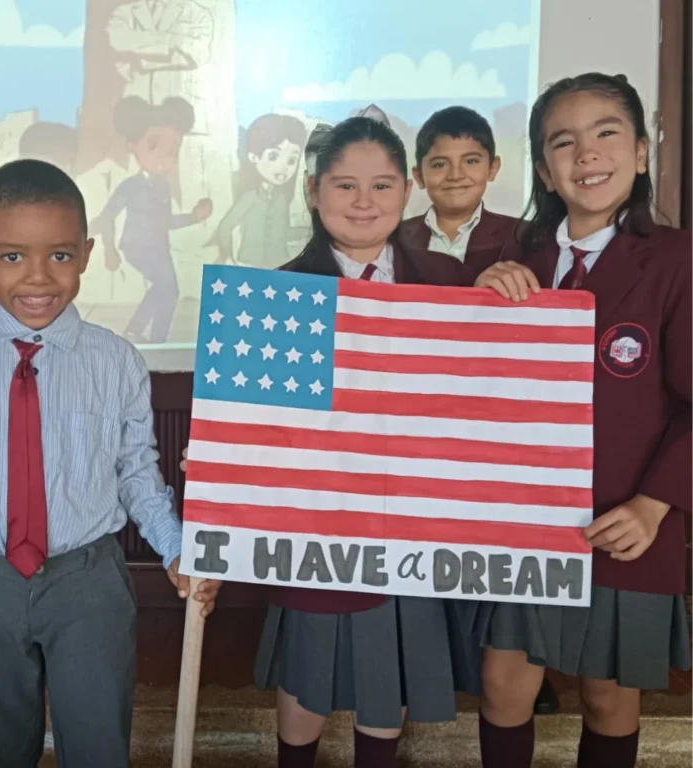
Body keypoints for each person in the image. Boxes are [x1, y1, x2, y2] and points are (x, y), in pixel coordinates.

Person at [196, 116, 477, 768]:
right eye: (344, 184)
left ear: (407, 190)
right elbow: (260, 430)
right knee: (308, 674)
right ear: (314, 190)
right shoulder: (281, 293)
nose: (363, 201)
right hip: (314, 525)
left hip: (413, 521)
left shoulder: (447, 285)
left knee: (390, 674)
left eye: (381, 184)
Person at [0, 159, 222, 768]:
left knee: (97, 744)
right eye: (12, 257)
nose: (38, 278)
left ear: (87, 253)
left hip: (89, 583)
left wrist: (174, 549)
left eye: (59, 256)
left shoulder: (115, 362)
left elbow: (138, 472)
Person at [473, 73, 691, 768]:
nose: (586, 154)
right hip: (523, 522)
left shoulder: (678, 259)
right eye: (563, 142)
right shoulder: (511, 264)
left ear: (641, 151)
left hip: (629, 522)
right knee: (504, 687)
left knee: (607, 697)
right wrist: (477, 306)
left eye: (606, 133)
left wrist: (655, 507)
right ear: (543, 168)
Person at [93, 95, 212, 344]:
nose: (164, 157)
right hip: (137, 246)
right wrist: (109, 250)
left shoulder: (162, 188)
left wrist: (193, 217)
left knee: (166, 289)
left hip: (159, 247)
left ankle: (141, 332)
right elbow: (107, 217)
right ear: (131, 145)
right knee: (168, 289)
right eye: (154, 146)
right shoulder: (130, 186)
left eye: (172, 150)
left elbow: (166, 222)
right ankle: (156, 338)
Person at [400, 106, 520, 282]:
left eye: (471, 161)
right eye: (440, 165)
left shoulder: (524, 237)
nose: (455, 175)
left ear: (492, 168)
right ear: (419, 176)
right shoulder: (395, 238)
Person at [209, 113, 307, 269]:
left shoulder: (282, 199)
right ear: (254, 157)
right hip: (250, 264)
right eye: (274, 156)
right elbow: (225, 227)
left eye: (291, 160)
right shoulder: (250, 197)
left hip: (279, 265)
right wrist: (227, 256)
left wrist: (309, 232)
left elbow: (282, 233)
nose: (283, 167)